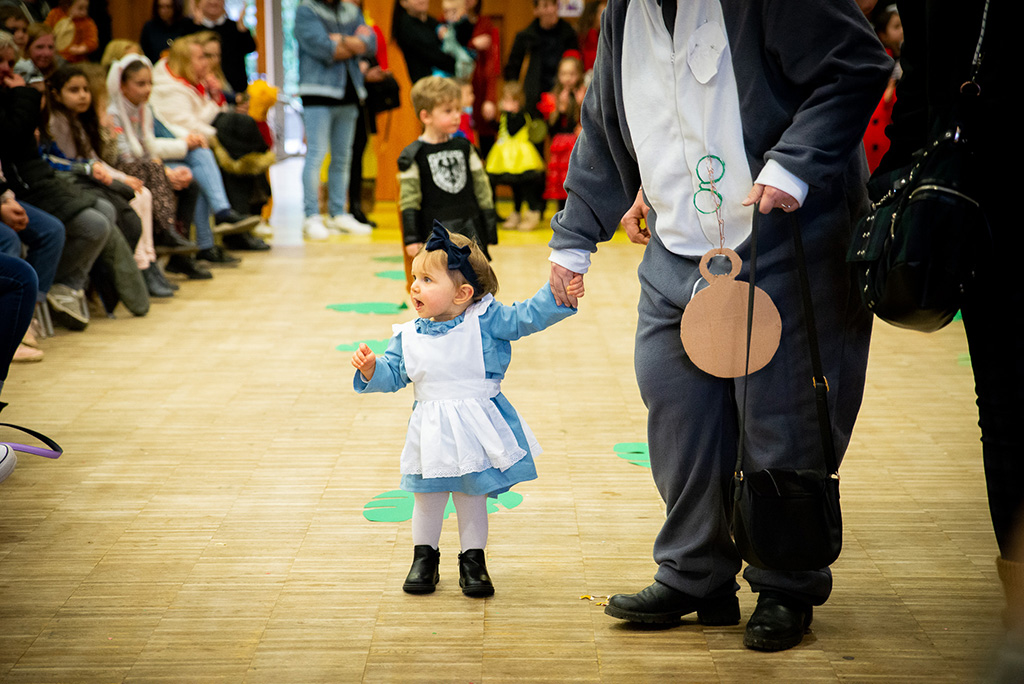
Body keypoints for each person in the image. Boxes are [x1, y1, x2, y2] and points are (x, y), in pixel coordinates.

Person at [547, 0, 891, 652]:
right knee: (676, 407)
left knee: (781, 420)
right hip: (677, 247)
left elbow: (856, 64)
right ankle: (695, 573)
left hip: (784, 243)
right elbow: (604, 120)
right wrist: (574, 235)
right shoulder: (623, 12)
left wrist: (795, 161)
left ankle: (786, 583)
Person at [873, 0, 1016, 634]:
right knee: (1004, 406)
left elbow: (917, 96)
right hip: (980, 200)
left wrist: (887, 194)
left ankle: (1019, 600)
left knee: (1004, 407)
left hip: (972, 196)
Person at [351, 223, 581, 596]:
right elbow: (394, 373)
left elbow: (525, 316)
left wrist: (559, 293)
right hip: (430, 432)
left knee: (471, 496)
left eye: (427, 279)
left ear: (463, 293)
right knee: (426, 496)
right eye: (414, 277)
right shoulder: (408, 335)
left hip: (477, 428)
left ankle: (473, 561)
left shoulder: (486, 319)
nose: (414, 286)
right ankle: (424, 558)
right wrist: (372, 369)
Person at [149, 34, 257, 268]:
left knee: (198, 169)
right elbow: (188, 125)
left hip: (179, 148)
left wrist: (215, 96)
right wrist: (199, 137)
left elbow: (207, 115)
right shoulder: (167, 88)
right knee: (201, 157)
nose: (206, 63)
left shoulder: (192, 82)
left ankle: (206, 245)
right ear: (184, 60)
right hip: (161, 154)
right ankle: (221, 216)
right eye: (200, 57)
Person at [398, 75, 496, 288]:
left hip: (470, 229)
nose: (456, 116)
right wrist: (411, 237)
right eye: (448, 111)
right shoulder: (414, 155)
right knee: (441, 286)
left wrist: (489, 224)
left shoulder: (465, 147)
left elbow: (482, 187)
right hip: (435, 234)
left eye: (458, 110)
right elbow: (409, 199)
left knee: (477, 283)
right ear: (426, 116)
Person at [294, 0, 374, 239]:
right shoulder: (306, 10)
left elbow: (371, 45)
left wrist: (340, 39)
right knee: (316, 154)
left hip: (350, 93)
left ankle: (338, 213)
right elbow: (325, 49)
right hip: (317, 93)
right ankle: (311, 216)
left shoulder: (351, 9)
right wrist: (354, 43)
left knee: (343, 157)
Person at [484, 81, 544, 232]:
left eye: (510, 100)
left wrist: (510, 113)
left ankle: (532, 214)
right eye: (505, 99)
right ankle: (516, 213)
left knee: (526, 185)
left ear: (518, 102)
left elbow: (512, 130)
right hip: (505, 157)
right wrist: (491, 120)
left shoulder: (521, 116)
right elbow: (500, 129)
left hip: (520, 157)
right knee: (514, 186)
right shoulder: (506, 116)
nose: (505, 103)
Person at [502, 0, 578, 116]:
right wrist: (514, 98)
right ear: (536, 10)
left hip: (563, 98)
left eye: (554, 4)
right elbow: (512, 72)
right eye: (545, 6)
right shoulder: (525, 37)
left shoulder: (569, 34)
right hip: (532, 100)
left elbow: (577, 66)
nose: (551, 10)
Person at [542, 54, 584, 211]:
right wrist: (560, 109)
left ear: (579, 75)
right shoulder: (553, 97)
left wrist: (581, 104)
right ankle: (561, 213)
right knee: (561, 181)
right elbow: (551, 128)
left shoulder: (583, 94)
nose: (568, 78)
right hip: (560, 146)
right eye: (564, 74)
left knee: (578, 180)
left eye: (572, 74)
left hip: (577, 144)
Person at [187, 0, 255, 99]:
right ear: (199, 2)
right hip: (202, 93)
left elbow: (250, 48)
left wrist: (242, 28)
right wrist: (196, 25)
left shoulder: (234, 26)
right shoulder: (191, 27)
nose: (213, 2)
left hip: (236, 91)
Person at [390, 0, 454, 85]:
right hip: (428, 85)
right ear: (403, 3)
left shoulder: (430, 20)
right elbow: (437, 56)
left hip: (442, 80)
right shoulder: (406, 27)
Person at [139, 0, 192, 65]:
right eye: (160, 7)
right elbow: (144, 53)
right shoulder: (149, 27)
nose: (164, 10)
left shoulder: (187, 24)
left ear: (175, 7)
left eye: (168, 7)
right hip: (156, 67)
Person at [13, 22, 58, 89]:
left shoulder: (58, 73)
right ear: (27, 48)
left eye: (50, 47)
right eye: (40, 47)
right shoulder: (18, 72)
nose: (46, 53)